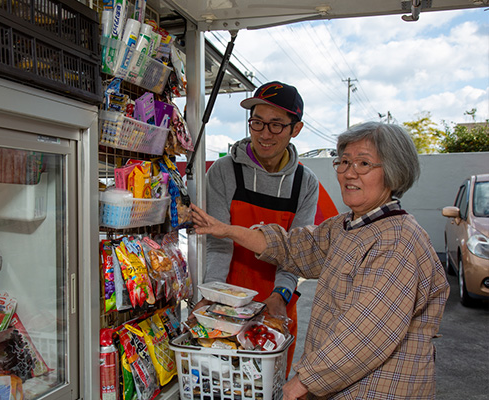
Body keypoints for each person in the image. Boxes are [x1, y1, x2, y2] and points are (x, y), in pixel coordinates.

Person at [191, 121, 450, 400]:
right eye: (344, 162)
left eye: (363, 164)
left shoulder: (397, 241)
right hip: (339, 385)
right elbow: (292, 247)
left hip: (377, 389)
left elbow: (364, 334)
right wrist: (226, 230)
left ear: (393, 171)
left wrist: (301, 383)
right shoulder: (348, 227)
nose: (349, 173)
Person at [192, 81, 320, 373]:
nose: (264, 134)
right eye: (257, 123)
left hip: (277, 300)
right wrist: (213, 296)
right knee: (223, 379)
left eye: (276, 125)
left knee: (269, 382)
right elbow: (218, 243)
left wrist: (281, 296)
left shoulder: (305, 182)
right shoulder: (224, 171)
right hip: (227, 299)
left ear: (295, 129)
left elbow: (297, 252)